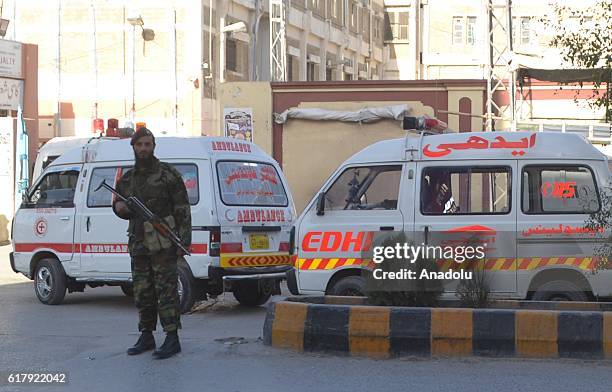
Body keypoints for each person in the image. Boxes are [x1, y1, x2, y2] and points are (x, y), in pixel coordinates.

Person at [112, 127, 191, 359]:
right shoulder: (128, 179)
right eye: (140, 144)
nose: (144, 148)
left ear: (153, 146)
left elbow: (182, 210)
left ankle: (172, 337)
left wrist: (182, 242)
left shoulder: (168, 174)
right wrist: (121, 208)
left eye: (148, 144)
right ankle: (146, 335)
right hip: (138, 243)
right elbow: (117, 205)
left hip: (163, 244)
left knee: (166, 291)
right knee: (142, 291)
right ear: (133, 147)